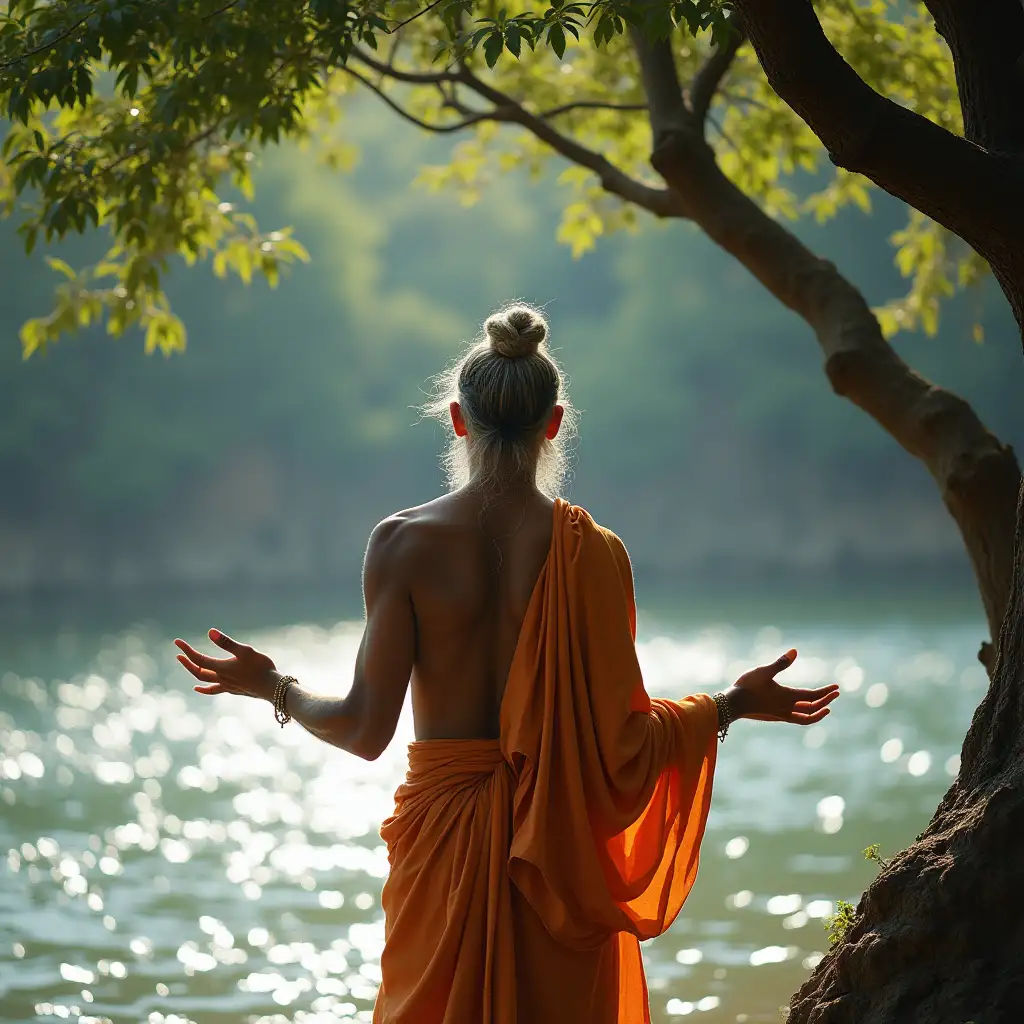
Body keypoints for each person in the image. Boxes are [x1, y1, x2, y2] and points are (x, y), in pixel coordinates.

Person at [174, 302, 840, 1024]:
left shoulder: (401, 545)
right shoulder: (596, 554)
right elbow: (622, 746)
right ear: (554, 423)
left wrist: (276, 686)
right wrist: (730, 705)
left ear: (457, 419)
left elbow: (365, 731)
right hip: (552, 862)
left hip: (443, 852)